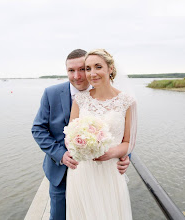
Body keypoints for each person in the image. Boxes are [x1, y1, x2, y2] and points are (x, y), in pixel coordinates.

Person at [32, 49, 132, 220]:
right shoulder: (51, 93)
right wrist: (61, 155)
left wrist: (125, 155)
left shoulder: (111, 95)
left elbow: (120, 133)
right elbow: (38, 130)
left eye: (82, 69)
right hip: (61, 171)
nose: (77, 76)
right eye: (71, 71)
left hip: (103, 173)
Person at [66, 49, 137, 220]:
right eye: (88, 68)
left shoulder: (128, 102)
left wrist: (110, 153)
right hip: (82, 171)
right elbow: (69, 135)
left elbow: (129, 142)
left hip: (110, 172)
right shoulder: (80, 100)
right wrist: (80, 146)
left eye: (98, 67)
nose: (92, 73)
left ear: (110, 68)